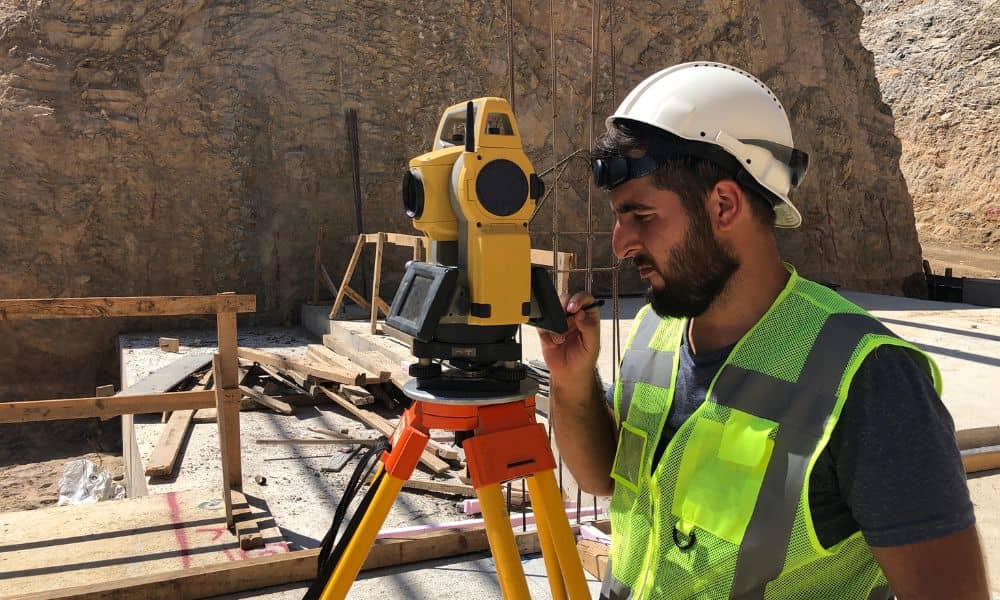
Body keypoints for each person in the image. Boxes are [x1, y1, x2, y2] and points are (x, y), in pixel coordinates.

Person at [538, 62, 989, 599]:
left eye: (640, 215)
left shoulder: (870, 379)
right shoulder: (656, 330)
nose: (620, 242)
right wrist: (571, 383)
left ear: (724, 205)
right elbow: (603, 480)